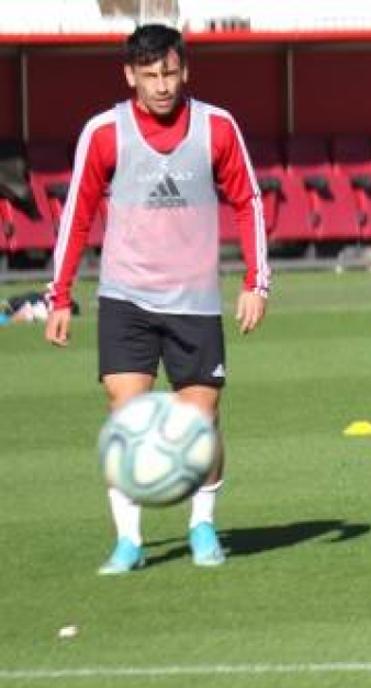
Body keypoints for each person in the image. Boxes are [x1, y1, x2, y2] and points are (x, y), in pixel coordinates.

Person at [45, 23, 270, 574]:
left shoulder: (218, 127)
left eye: (170, 72)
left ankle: (202, 525)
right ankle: (129, 540)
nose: (163, 85)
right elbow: (75, 216)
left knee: (202, 423)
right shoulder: (103, 133)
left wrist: (255, 282)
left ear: (184, 69)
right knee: (125, 416)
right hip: (127, 299)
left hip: (194, 301)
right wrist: (59, 295)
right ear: (130, 76)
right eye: (150, 76)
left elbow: (249, 201)